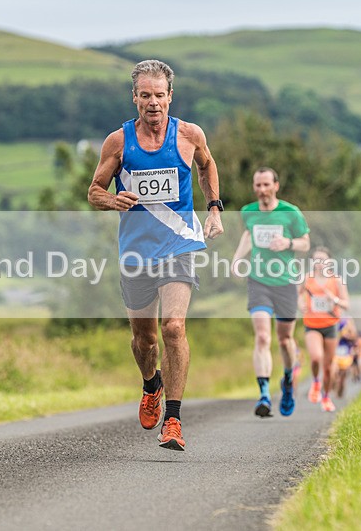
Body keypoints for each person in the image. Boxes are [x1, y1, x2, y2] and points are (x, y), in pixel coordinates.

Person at [87, 60, 224, 451]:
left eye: (159, 95)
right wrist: (114, 200)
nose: (152, 103)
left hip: (178, 245)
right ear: (135, 98)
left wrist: (214, 206)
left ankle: (174, 420)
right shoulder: (118, 142)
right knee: (144, 340)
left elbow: (207, 164)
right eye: (145, 95)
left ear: (170, 97)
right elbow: (94, 190)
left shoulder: (189, 134)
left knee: (174, 328)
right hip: (136, 252)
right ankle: (151, 384)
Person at [231, 167, 310, 418]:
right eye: (258, 185)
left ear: (276, 185)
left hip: (286, 282)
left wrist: (288, 243)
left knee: (285, 341)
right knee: (263, 338)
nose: (262, 190)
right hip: (258, 281)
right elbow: (248, 235)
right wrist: (236, 259)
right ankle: (263, 394)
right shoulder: (248, 212)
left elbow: (305, 242)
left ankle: (287, 380)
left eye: (266, 185)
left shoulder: (291, 213)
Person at [299, 246, 350, 412]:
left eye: (323, 259)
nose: (319, 263)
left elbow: (346, 304)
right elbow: (298, 294)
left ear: (330, 262)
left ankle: (326, 398)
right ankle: (315, 383)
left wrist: (333, 299)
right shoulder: (307, 278)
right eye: (316, 260)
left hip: (331, 325)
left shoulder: (337, 281)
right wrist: (301, 305)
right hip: (312, 325)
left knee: (328, 367)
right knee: (316, 358)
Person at [332, 317, 358, 398]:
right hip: (336, 354)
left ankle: (340, 393)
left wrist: (348, 335)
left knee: (343, 376)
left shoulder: (351, 329)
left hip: (346, 354)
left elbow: (354, 338)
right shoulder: (336, 326)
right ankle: (334, 385)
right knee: (334, 372)